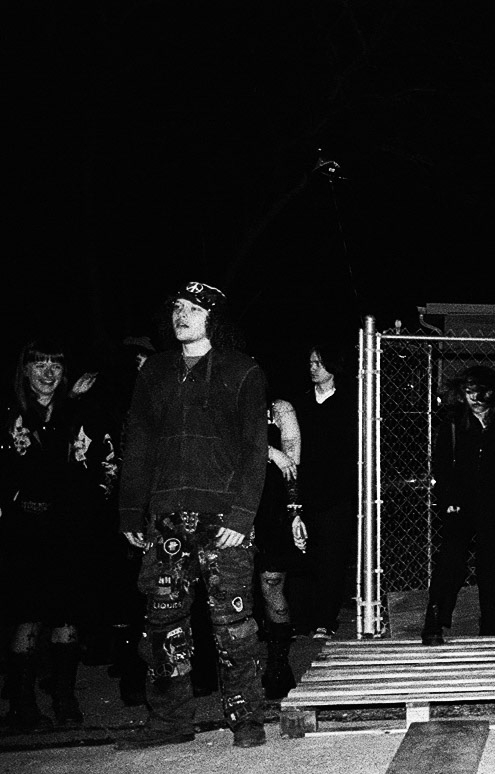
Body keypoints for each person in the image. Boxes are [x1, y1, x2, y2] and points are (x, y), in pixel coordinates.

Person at [116, 281, 270, 750]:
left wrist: (241, 517)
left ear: (214, 319)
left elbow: (255, 450)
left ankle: (246, 719)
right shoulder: (155, 371)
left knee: (234, 625)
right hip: (165, 518)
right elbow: (138, 444)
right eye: (178, 307)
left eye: (195, 309)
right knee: (163, 623)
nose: (182, 315)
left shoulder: (242, 371)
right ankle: (169, 722)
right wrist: (130, 512)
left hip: (223, 520)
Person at [0, 342, 116, 731]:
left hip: (69, 528)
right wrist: (15, 502)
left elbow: (104, 462)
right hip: (25, 529)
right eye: (40, 364)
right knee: (28, 616)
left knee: (68, 615)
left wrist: (91, 505)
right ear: (25, 369)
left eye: (56, 365)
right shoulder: (11, 413)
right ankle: (22, 705)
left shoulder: (79, 410)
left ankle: (65, 698)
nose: (48, 372)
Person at [420, 365, 495, 644]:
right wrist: (448, 500)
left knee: (494, 566)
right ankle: (434, 621)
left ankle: (492, 629)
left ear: (493, 393)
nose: (474, 398)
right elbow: (442, 466)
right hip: (460, 506)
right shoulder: (454, 423)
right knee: (450, 562)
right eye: (468, 392)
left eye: (480, 392)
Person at [294, 347, 356, 640]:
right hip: (306, 488)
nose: (313, 368)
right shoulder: (302, 403)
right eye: (310, 363)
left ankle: (325, 620)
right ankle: (302, 618)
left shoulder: (347, 402)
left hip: (337, 490)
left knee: (332, 556)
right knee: (305, 554)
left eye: (318, 363)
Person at [255, 398, 309, 696]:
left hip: (269, 505)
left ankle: (278, 665)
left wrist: (295, 513)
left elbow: (292, 466)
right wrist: (268, 451)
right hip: (228, 503)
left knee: (272, 582)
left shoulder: (279, 410)